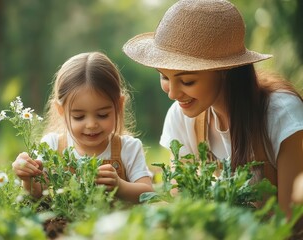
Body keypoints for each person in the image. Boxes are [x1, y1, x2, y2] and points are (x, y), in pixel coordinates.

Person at [122, 0, 303, 218]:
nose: (172, 94)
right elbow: (180, 205)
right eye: (164, 76)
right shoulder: (182, 117)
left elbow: (293, 221)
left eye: (187, 81)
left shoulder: (281, 114)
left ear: (224, 70)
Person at [12, 51, 153, 203]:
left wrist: (120, 186)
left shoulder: (128, 148)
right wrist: (27, 178)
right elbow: (38, 195)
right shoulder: (52, 146)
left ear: (119, 106)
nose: (91, 125)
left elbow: (148, 194)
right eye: (79, 117)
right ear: (61, 110)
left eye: (102, 115)